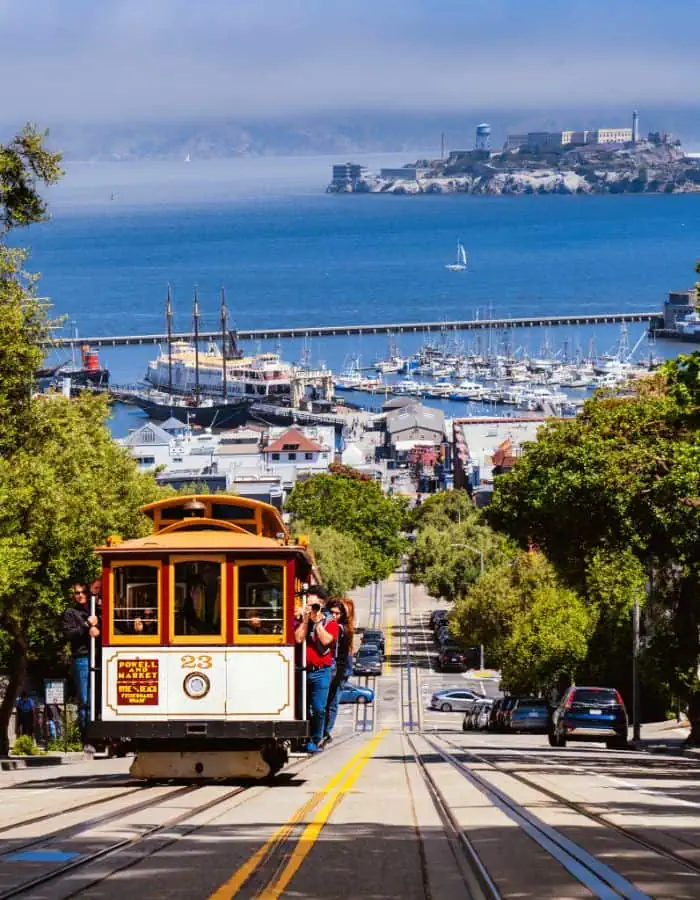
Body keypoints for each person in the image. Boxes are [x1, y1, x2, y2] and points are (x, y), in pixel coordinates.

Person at [295, 585, 338, 753]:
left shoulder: (330, 622)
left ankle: (316, 738)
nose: (312, 608)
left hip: (322, 671)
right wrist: (305, 620)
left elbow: (327, 641)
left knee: (319, 708)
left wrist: (317, 622)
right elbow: (299, 639)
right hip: (303, 670)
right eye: (309, 604)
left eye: (315, 605)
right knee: (303, 706)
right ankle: (304, 738)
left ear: (322, 605)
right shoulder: (302, 619)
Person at [62, 583, 100, 744]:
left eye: (83, 592)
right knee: (85, 699)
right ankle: (87, 738)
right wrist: (86, 626)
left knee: (99, 697)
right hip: (82, 658)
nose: (80, 595)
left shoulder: (96, 611)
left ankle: (100, 736)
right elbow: (69, 634)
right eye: (77, 593)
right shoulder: (70, 613)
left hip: (100, 657)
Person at [322, 598, 355, 746]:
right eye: (332, 613)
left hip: (339, 669)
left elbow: (342, 655)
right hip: (336, 668)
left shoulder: (342, 629)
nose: (334, 616)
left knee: (332, 701)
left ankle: (326, 731)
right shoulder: (334, 626)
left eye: (337, 613)